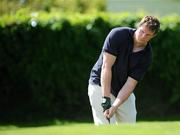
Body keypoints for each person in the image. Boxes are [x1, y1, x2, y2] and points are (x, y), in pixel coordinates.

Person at [88, 16, 160, 125]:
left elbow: (130, 84)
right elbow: (106, 67)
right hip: (100, 85)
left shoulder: (146, 56)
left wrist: (115, 106)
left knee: (129, 127)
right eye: (142, 31)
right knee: (106, 128)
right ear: (138, 26)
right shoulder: (117, 35)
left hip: (122, 90)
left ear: (153, 36)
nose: (143, 36)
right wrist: (105, 100)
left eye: (148, 35)